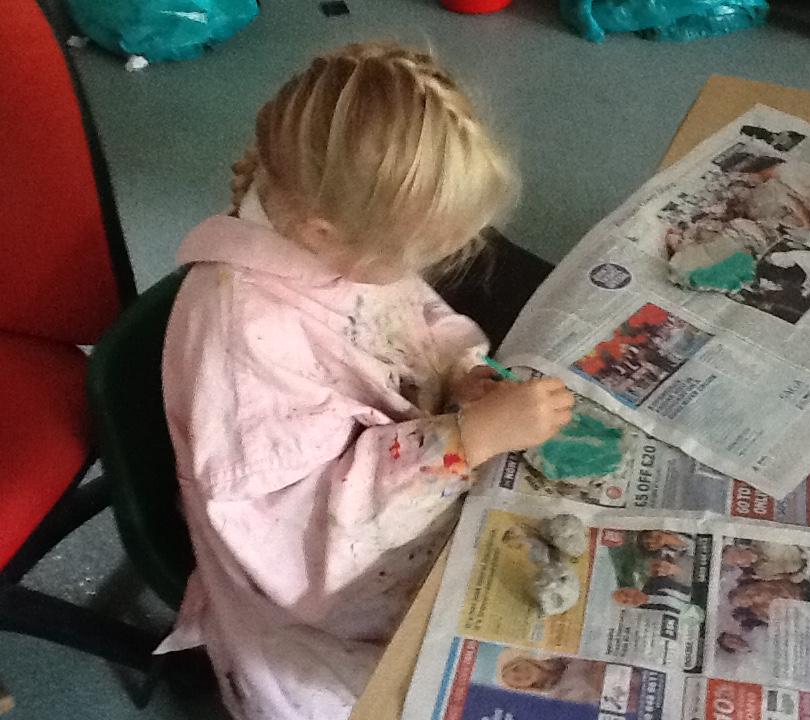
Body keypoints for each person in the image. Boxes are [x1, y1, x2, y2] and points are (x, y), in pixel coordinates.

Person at [158, 42, 575, 720]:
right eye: (412, 255)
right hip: (315, 616)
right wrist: (464, 441)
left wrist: (463, 372)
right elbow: (297, 540)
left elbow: (412, 318)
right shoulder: (242, 338)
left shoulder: (326, 232)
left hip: (413, 506)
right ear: (324, 232)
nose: (419, 271)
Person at [495, 651, 606, 704]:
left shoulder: (561, 652)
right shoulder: (558, 698)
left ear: (524, 660)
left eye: (517, 669)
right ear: (523, 687)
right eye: (518, 679)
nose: (522, 674)